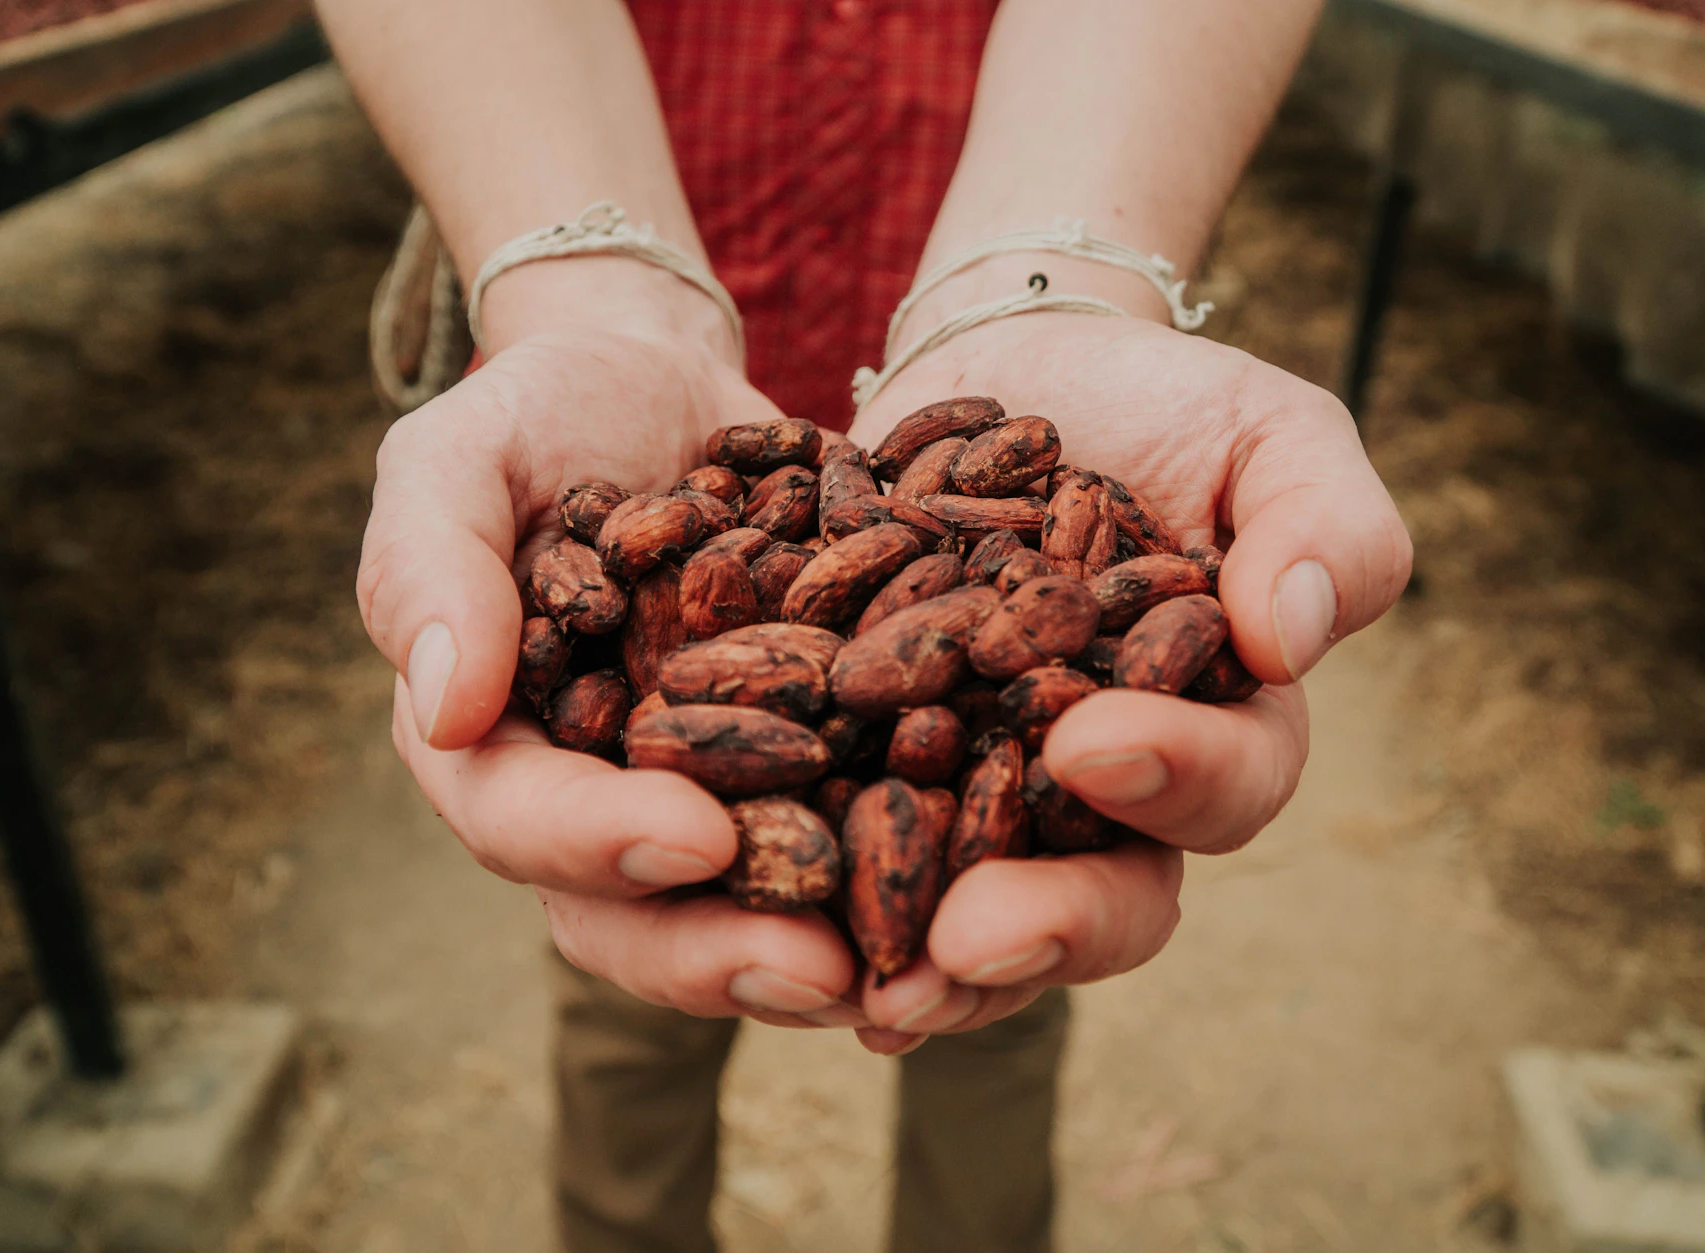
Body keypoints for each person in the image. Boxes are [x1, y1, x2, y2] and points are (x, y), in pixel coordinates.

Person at [316, 2, 1414, 1250]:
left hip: (1024, 271)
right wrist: (585, 294)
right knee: (635, 947)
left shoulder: (1002, 570)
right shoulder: (700, 559)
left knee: (999, 947)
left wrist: (1062, 276)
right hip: (637, 340)